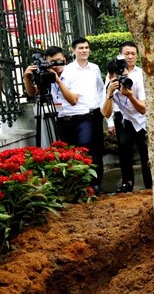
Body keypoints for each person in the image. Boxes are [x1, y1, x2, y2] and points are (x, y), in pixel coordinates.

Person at [56, 38, 106, 194]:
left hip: (95, 113)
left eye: (86, 47)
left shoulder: (95, 68)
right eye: (80, 48)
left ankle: (97, 184)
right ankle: (83, 185)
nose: (84, 50)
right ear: (73, 51)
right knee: (83, 147)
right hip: (78, 115)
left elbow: (100, 88)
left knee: (97, 150)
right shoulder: (68, 70)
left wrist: (99, 106)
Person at [101, 41, 151, 193]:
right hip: (124, 118)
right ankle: (127, 182)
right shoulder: (111, 78)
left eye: (133, 53)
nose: (130, 57)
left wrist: (129, 95)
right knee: (123, 148)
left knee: (145, 151)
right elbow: (106, 112)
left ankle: (150, 183)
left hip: (143, 119)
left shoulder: (139, 75)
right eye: (126, 53)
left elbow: (143, 108)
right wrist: (110, 94)